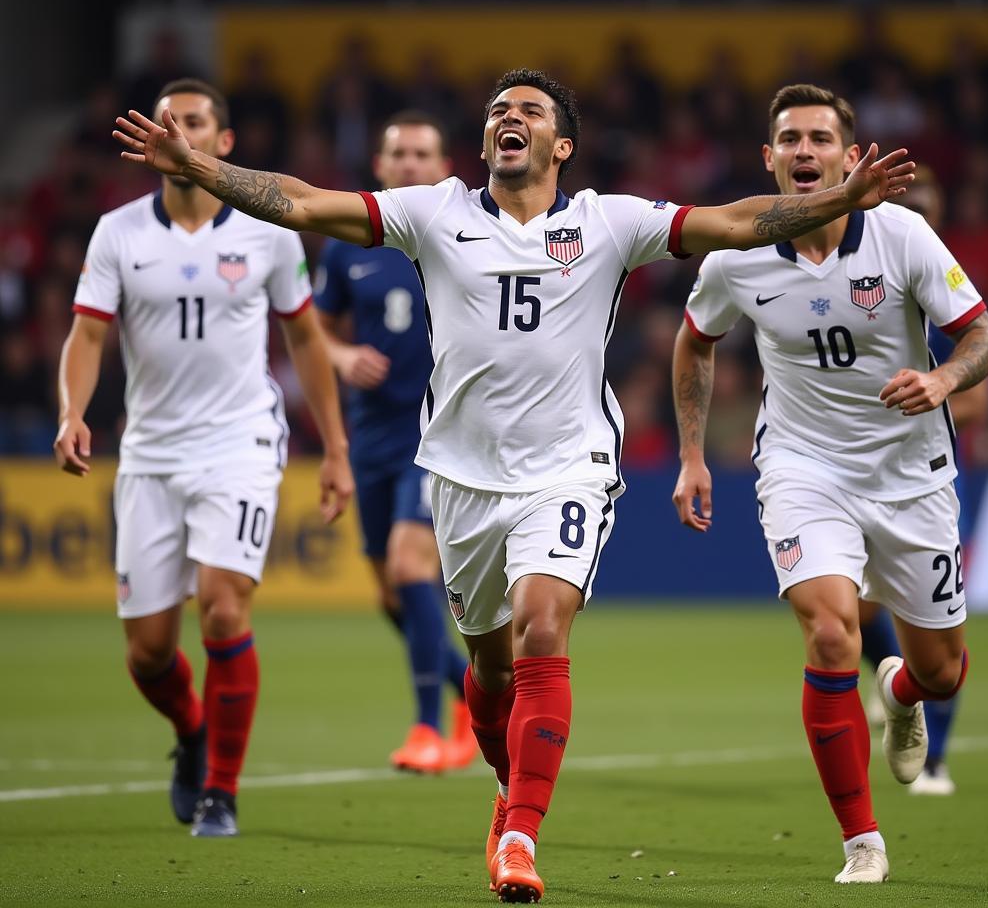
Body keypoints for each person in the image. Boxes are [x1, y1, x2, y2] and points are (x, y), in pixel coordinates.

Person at [114, 67, 913, 902]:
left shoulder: (609, 223)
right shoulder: (436, 211)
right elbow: (304, 202)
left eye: (529, 111)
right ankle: (506, 787)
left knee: (542, 628)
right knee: (490, 673)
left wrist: (836, 201)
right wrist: (201, 170)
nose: (509, 118)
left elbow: (741, 222)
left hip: (569, 468)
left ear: (561, 145)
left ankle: (521, 836)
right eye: (499, 109)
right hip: (460, 477)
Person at [673, 84, 988, 884]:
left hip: (910, 474)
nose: (805, 152)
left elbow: (984, 338)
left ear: (852, 158)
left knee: (943, 672)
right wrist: (691, 456)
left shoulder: (903, 236)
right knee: (829, 634)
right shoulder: (737, 254)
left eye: (822, 138)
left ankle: (901, 689)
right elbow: (694, 345)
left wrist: (944, 378)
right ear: (769, 159)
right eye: (790, 139)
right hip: (801, 467)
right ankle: (863, 841)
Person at [57, 78, 353, 839]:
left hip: (240, 443)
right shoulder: (118, 232)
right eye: (166, 121)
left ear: (222, 145)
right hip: (151, 452)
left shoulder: (269, 232)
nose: (175, 131)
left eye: (192, 122)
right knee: (149, 653)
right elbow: (88, 335)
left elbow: (306, 340)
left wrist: (334, 449)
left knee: (224, 609)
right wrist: (71, 411)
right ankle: (191, 733)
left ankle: (221, 790)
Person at [314, 110, 476, 773]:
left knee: (412, 571)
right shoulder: (345, 245)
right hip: (372, 436)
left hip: (438, 436)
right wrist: (341, 354)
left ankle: (424, 730)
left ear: (443, 169)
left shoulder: (463, 238)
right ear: (379, 167)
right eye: (398, 154)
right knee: (390, 594)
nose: (410, 164)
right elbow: (310, 331)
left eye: (422, 154)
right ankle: (476, 693)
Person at [858, 164, 988, 796]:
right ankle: (894, 683)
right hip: (854, 475)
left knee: (942, 635)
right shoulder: (870, 277)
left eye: (928, 202)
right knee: (853, 610)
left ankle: (935, 759)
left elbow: (977, 402)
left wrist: (931, 391)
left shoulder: (944, 293)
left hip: (925, 476)